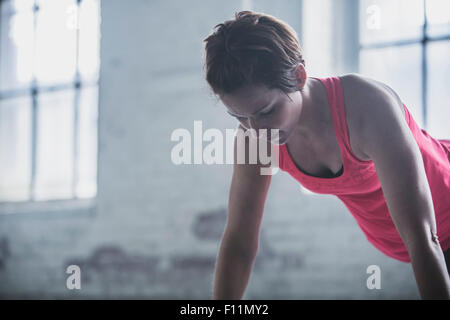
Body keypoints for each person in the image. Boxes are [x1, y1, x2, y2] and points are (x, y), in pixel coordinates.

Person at [202, 10, 450, 300]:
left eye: (266, 111)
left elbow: (423, 238)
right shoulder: (254, 137)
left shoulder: (367, 107)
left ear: (298, 76)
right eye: (239, 117)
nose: (256, 130)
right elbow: (239, 241)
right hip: (408, 245)